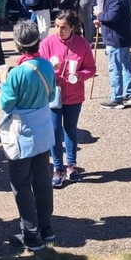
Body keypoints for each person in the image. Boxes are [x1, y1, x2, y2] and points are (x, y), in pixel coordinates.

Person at [0, 21, 56, 252]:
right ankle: (46, 227)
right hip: (43, 128)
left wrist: (4, 82)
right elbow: (52, 93)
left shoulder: (18, 72)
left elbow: (5, 103)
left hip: (22, 132)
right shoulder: (46, 65)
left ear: (17, 44)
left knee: (21, 185)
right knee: (42, 181)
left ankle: (31, 234)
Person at [39, 10, 96, 188]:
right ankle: (58, 168)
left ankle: (71, 165)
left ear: (72, 27)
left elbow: (91, 69)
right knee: (55, 131)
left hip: (74, 94)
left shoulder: (82, 44)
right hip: (53, 94)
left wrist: (79, 75)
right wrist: (49, 68)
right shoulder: (47, 43)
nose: (58, 30)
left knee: (70, 130)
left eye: (63, 27)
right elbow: (38, 67)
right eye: (56, 26)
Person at [97, 0, 131, 109]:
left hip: (116, 37)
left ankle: (117, 98)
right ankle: (129, 94)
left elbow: (111, 16)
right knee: (126, 66)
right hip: (122, 35)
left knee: (116, 68)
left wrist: (100, 15)